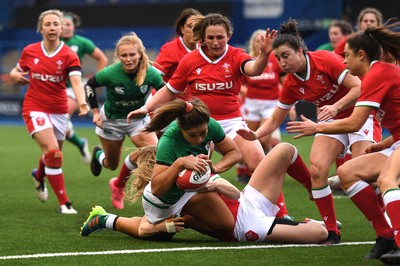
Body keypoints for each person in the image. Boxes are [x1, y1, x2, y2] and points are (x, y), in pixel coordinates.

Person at [127, 13, 301, 220]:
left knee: (260, 162)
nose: (216, 42)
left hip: (231, 122)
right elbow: (170, 90)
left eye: (220, 37)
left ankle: (281, 214)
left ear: (229, 35)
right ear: (202, 37)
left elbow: (253, 70)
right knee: (191, 175)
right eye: (210, 37)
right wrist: (146, 109)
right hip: (198, 125)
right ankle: (174, 213)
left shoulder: (236, 55)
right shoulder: (190, 60)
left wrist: (264, 54)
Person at [236, 18, 378, 244]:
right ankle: (332, 230)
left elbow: (359, 87)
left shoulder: (324, 59)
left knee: (362, 173)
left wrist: (335, 106)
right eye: (278, 58)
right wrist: (256, 135)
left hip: (360, 115)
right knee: (317, 171)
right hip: (331, 121)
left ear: (300, 51)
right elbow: (275, 119)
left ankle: (385, 225)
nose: (282, 62)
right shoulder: (292, 84)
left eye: (285, 56)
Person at [286, 21, 400, 262]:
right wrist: (383, 145)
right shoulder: (377, 73)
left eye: (347, 55)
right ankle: (386, 235)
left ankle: (398, 242)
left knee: (386, 179)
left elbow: (354, 123)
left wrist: (317, 127)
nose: (344, 61)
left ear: (361, 54)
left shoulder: (377, 74)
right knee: (348, 172)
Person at [80, 140, 330, 244]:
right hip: (244, 226)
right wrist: (166, 226)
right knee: (321, 231)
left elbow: (233, 192)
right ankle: (104, 219)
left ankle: (307, 192)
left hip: (247, 201)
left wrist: (214, 182)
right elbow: (147, 226)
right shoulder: (157, 195)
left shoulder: (190, 169)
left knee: (284, 149)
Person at [83, 98, 242, 238]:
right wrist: (179, 163)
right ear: (181, 129)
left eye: (203, 133)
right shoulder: (169, 142)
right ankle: (104, 219)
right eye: (192, 135)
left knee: (225, 226)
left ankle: (182, 219)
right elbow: (157, 188)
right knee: (149, 233)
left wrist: (215, 167)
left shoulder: (209, 125)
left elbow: (234, 152)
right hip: (164, 198)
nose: (199, 139)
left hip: (189, 191)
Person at [9, 9, 88, 214]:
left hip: (59, 110)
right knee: (53, 153)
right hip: (34, 108)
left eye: (56, 24)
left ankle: (39, 176)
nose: (52, 27)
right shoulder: (30, 51)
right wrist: (14, 74)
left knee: (53, 155)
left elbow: (76, 83)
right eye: (48, 24)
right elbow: (16, 71)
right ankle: (65, 203)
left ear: (61, 28)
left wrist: (81, 103)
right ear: (41, 28)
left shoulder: (69, 55)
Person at [85, 32, 164, 210]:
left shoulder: (151, 74)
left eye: (132, 55)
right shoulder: (111, 73)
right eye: (124, 56)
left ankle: (119, 185)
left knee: (152, 152)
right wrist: (96, 112)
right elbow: (90, 85)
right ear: (118, 57)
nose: (128, 59)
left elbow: (164, 92)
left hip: (138, 120)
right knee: (111, 164)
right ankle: (99, 156)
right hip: (112, 121)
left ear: (140, 54)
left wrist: (157, 111)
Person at [236, 29, 289, 183]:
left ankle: (262, 171)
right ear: (253, 43)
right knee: (247, 138)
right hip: (251, 104)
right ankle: (245, 171)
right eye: (258, 41)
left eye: (263, 40)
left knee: (264, 140)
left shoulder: (274, 60)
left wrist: (290, 105)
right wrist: (244, 91)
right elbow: (238, 83)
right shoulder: (247, 60)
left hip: (270, 104)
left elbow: (283, 82)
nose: (261, 43)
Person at [61, 11, 109, 164]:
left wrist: (94, 80)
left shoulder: (81, 42)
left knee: (60, 119)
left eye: (68, 24)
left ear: (74, 26)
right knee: (60, 124)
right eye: (62, 24)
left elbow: (102, 58)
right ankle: (80, 143)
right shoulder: (53, 42)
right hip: (54, 89)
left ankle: (48, 166)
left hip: (73, 89)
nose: (65, 27)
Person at [153, 8, 201, 84]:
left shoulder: (205, 48)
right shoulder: (170, 49)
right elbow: (154, 77)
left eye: (197, 26)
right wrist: (171, 91)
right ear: (182, 29)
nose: (194, 30)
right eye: (190, 26)